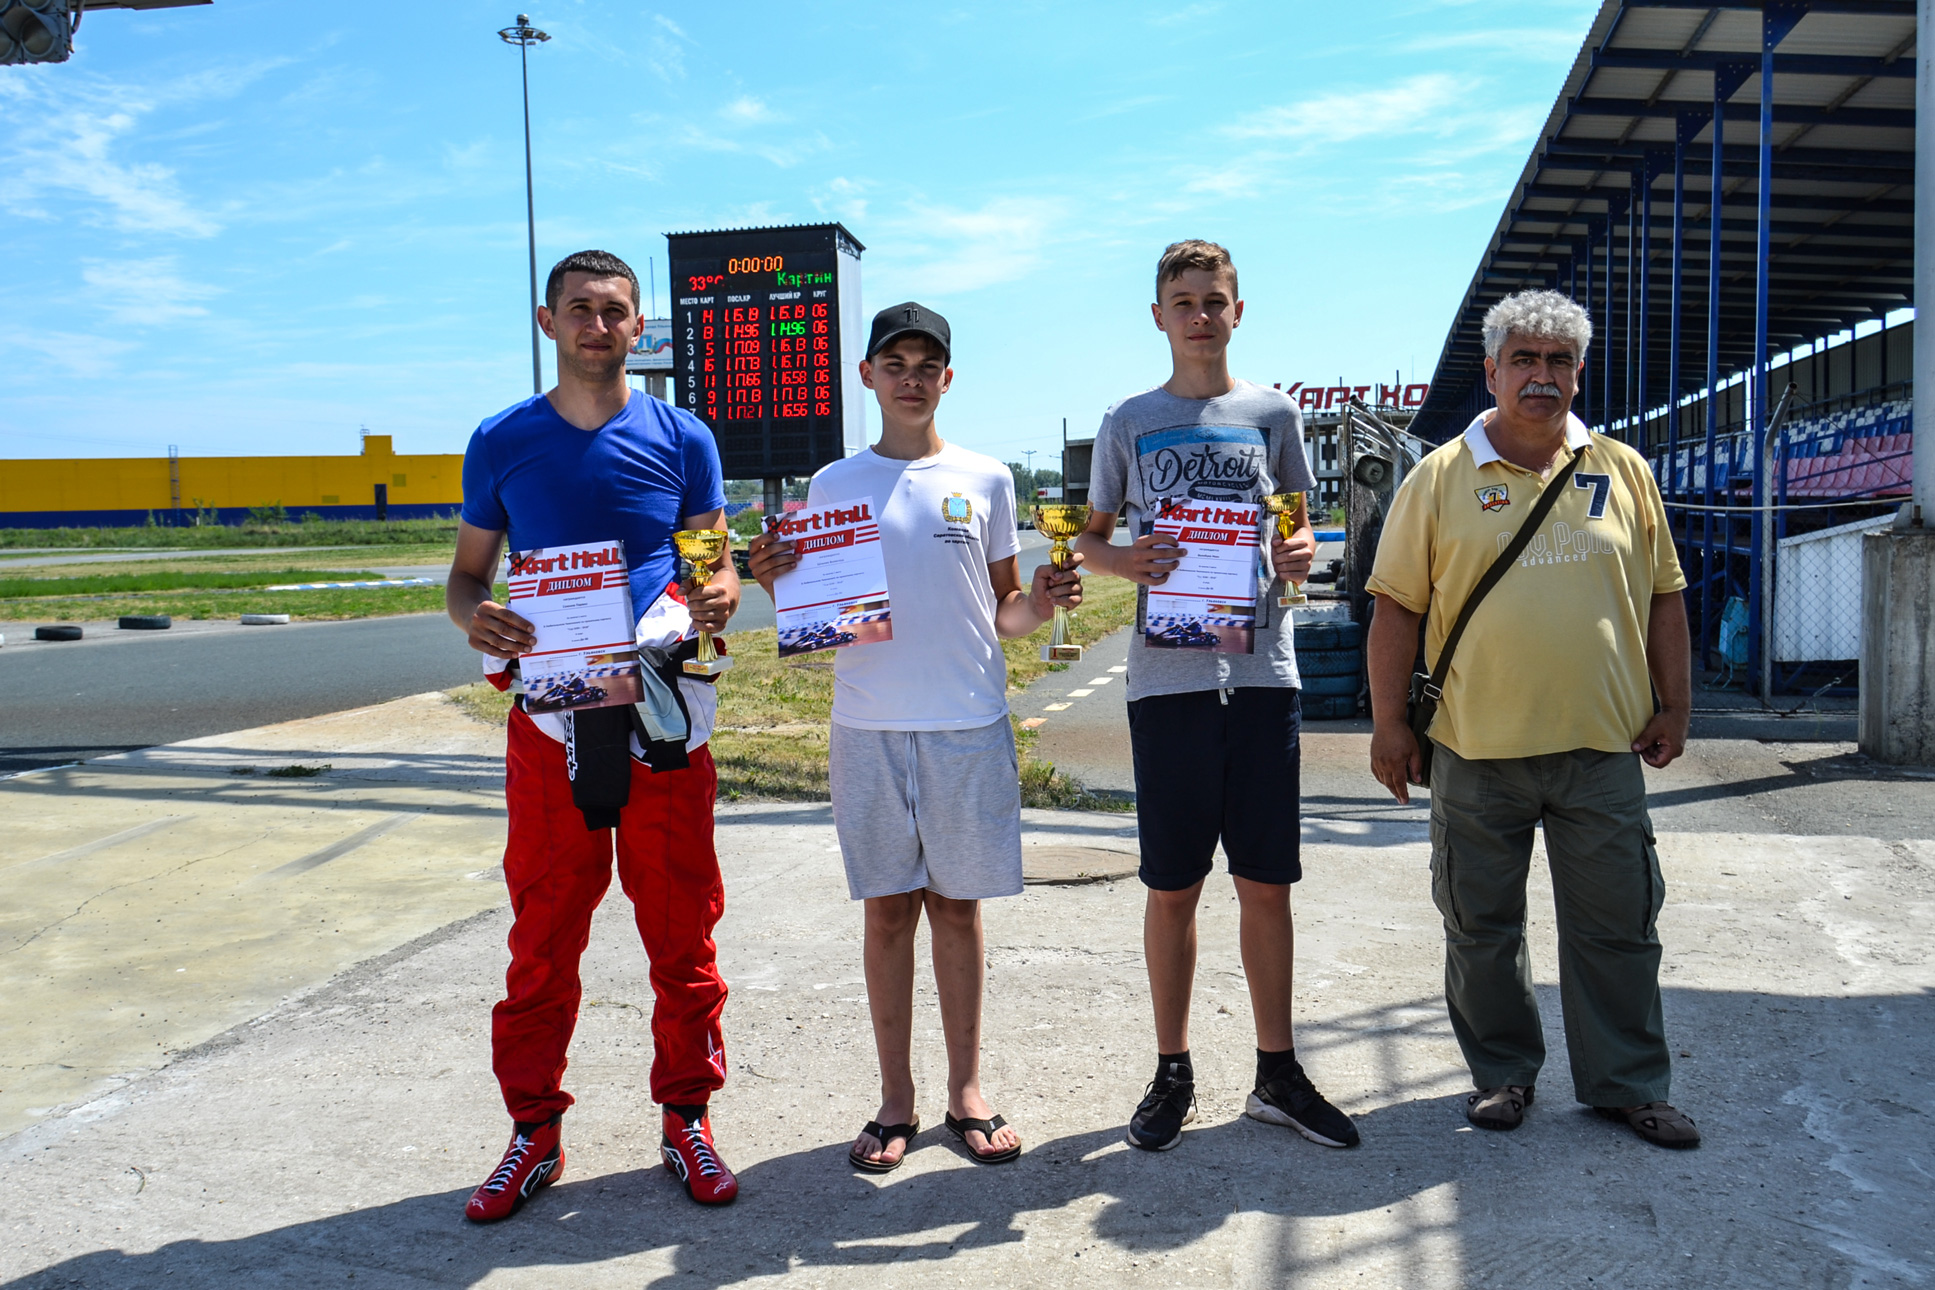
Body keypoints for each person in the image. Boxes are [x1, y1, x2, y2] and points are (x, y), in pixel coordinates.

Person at [746, 302, 1082, 1171]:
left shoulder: (987, 478)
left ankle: (966, 1090)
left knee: (958, 910)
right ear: (866, 376)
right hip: (867, 724)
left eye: (926, 365)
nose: (910, 378)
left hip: (966, 720)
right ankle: (895, 1098)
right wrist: (775, 583)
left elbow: (1006, 610)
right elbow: (819, 615)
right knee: (888, 911)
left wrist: (1041, 602)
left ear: (947, 378)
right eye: (893, 364)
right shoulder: (833, 484)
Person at [1363, 288, 1700, 1149]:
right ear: (1492, 372)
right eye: (1523, 359)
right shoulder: (1439, 477)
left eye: (1557, 361)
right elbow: (1396, 608)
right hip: (1475, 749)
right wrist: (1388, 724)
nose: (1540, 376)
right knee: (1481, 930)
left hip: (1602, 746)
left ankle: (1627, 1084)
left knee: (1618, 928)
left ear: (1579, 373)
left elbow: (1663, 595)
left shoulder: (1622, 471)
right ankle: (1501, 1075)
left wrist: (1674, 704)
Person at [447, 249, 745, 1219]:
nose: (598, 325)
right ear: (549, 322)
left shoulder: (682, 436)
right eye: (580, 308)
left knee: (682, 933)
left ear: (638, 325)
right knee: (542, 938)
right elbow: (466, 576)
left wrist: (720, 592)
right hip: (552, 725)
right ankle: (532, 1131)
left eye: (616, 310)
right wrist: (476, 616)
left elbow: (714, 561)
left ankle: (687, 1118)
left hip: (662, 714)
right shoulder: (501, 440)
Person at [1072, 240, 1359, 1153]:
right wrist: (1124, 560)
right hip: (1169, 682)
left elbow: (1298, 526)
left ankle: (1277, 1072)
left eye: (1214, 300)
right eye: (1184, 301)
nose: (1200, 315)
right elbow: (1088, 539)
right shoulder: (1129, 420)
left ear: (1239, 311)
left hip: (1262, 674)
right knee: (1173, 887)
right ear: (1158, 316)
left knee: (1266, 884)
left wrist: (1299, 552)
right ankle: (1172, 1068)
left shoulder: (1272, 414)